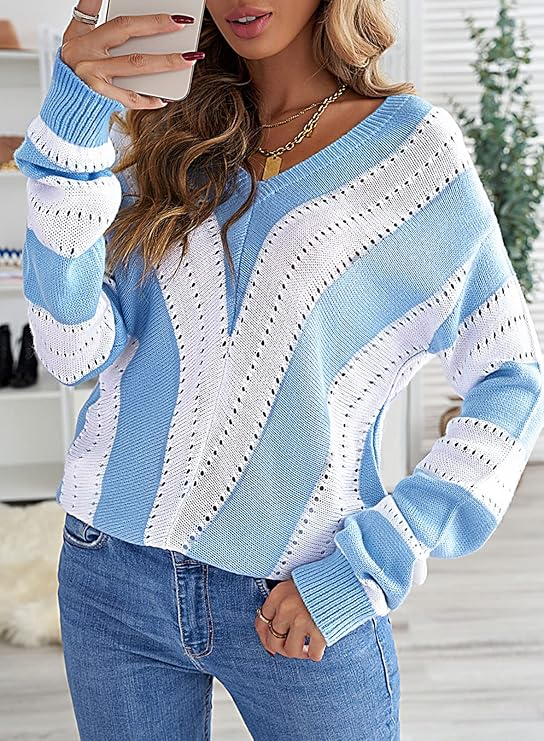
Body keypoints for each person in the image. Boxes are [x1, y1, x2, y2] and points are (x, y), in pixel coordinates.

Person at [13, 1, 544, 739]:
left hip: (302, 588)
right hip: (111, 572)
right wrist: (70, 138)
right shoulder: (165, 133)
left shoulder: (414, 154)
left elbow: (512, 380)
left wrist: (371, 563)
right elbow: (73, 354)